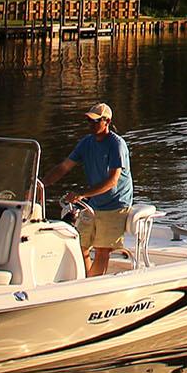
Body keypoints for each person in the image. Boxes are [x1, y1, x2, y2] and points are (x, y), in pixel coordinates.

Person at [44, 103, 133, 276]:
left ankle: (93, 285)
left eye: (95, 121)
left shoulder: (116, 145)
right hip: (95, 203)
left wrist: (82, 194)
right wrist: (41, 184)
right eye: (88, 121)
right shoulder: (86, 143)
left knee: (101, 250)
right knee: (80, 244)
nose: (91, 125)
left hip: (116, 204)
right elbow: (64, 167)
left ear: (106, 121)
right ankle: (88, 281)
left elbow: (112, 181)